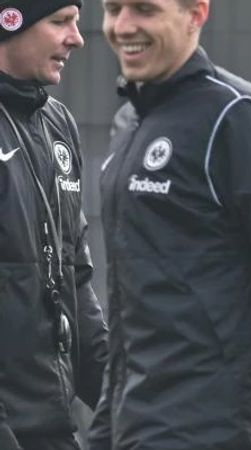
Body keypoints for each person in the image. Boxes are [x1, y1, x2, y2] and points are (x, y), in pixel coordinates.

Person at [88, 0, 251, 449]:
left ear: (196, 14)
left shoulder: (238, 116)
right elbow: (132, 309)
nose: (123, 26)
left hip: (221, 430)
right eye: (113, 9)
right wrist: (106, 428)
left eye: (145, 10)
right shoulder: (131, 120)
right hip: (138, 428)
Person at [0, 1, 109, 449]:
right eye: (60, 21)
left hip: (51, 424)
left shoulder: (57, 123)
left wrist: (124, 406)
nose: (77, 38)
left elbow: (75, 281)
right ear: (10, 21)